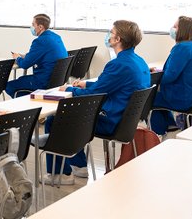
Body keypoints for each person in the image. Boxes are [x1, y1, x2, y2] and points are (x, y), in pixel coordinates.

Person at [47, 20, 150, 184]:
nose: (109, 35)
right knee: (73, 116)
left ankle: (61, 174)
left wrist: (68, 90)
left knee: (55, 120)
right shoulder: (139, 61)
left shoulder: (118, 64)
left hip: (111, 121)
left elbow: (93, 94)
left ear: (118, 39)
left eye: (112, 32)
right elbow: (110, 85)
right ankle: (78, 166)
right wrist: (85, 83)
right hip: (126, 121)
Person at [150, 16, 192, 135]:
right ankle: (169, 125)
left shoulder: (182, 48)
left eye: (175, 26)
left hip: (181, 99)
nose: (172, 28)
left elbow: (168, 77)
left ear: (183, 30)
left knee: (148, 97)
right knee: (156, 97)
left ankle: (157, 134)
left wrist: (153, 74)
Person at [5, 13, 67, 98]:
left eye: (33, 24)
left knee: (9, 86)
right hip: (57, 80)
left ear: (40, 27)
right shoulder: (56, 37)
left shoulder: (40, 41)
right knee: (22, 81)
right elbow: (44, 55)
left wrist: (17, 58)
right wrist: (26, 56)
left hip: (43, 81)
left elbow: (24, 64)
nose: (32, 27)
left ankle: (26, 106)